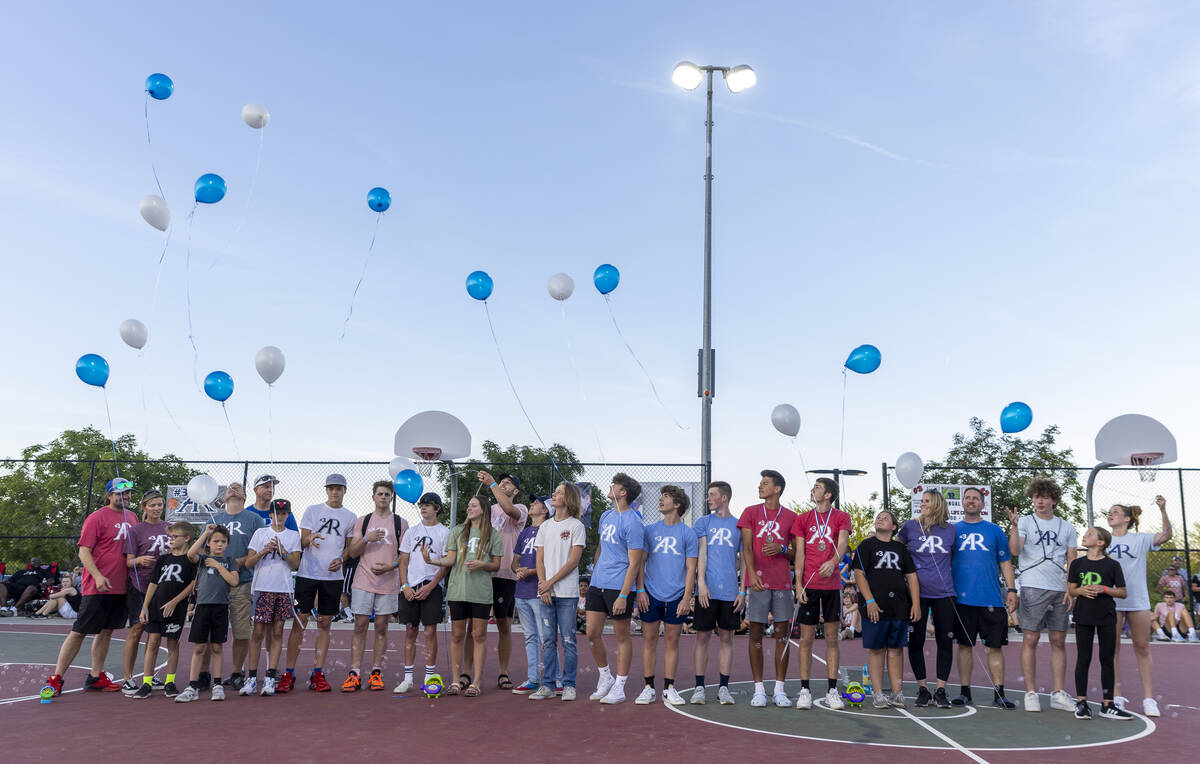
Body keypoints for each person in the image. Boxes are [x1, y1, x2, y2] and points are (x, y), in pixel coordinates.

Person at [44, 477, 139, 696]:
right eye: (120, 493)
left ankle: (95, 677)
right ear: (109, 495)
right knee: (79, 631)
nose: (125, 497)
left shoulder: (132, 517)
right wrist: (97, 576)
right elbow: (84, 551)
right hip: (98, 587)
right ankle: (56, 677)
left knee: (106, 631)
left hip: (122, 587)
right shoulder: (96, 518)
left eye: (128, 494)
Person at [1006, 477, 1077, 713]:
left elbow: (1072, 560)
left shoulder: (1067, 527)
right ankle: (1031, 693)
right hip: (1033, 585)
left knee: (1059, 641)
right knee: (1031, 639)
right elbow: (1015, 551)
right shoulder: (1025, 521)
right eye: (1037, 497)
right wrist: (1014, 527)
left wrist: (1072, 589)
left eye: (1045, 497)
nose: (1040, 501)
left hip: (1059, 588)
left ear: (1054, 500)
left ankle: (1057, 693)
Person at [283, 474, 357, 693]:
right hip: (307, 574)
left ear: (345, 491)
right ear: (326, 490)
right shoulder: (312, 510)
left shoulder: (350, 516)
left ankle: (318, 674)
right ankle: (289, 673)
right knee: (300, 620)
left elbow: (350, 549)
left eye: (339, 489)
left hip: (332, 578)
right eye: (331, 488)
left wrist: (341, 559)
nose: (334, 492)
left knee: (325, 622)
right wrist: (310, 538)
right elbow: (302, 540)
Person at [423, 495, 503, 697]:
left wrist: (482, 565)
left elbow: (496, 565)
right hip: (458, 590)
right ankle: (456, 680)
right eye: (468, 505)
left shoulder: (493, 535)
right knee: (457, 634)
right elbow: (450, 559)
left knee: (478, 634)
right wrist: (430, 560)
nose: (469, 508)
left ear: (484, 509)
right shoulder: (458, 531)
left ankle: (476, 682)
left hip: (481, 591)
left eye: (473, 505)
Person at [950, 486, 1018, 709]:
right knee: (964, 646)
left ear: (982, 504)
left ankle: (999, 693)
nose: (971, 501)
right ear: (962, 503)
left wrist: (1011, 590)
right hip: (961, 599)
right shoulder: (952, 530)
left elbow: (1005, 562)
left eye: (975, 499)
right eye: (967, 498)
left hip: (991, 599)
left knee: (995, 647)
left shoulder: (995, 530)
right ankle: (964, 692)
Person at [738, 469, 799, 709]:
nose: (759, 487)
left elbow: (797, 552)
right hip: (758, 582)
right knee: (755, 633)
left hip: (783, 582)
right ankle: (759, 689)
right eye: (760, 483)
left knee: (782, 635)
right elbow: (747, 547)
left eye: (765, 483)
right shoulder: (751, 512)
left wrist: (783, 549)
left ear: (778, 489)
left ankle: (780, 690)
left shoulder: (792, 516)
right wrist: (751, 575)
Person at [1107, 495, 1172, 717]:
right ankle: (1116, 697)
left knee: (1142, 647)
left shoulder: (1140, 539)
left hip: (1137, 600)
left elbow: (1166, 536)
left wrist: (1163, 510)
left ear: (1126, 518)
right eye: (1110, 511)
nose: (1110, 513)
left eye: (1115, 511)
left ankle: (1149, 699)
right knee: (1112, 648)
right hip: (1111, 600)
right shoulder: (1104, 540)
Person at [633, 485, 698, 706]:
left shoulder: (688, 533)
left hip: (676, 595)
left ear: (677, 504)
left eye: (666, 497)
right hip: (651, 593)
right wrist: (640, 590)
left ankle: (669, 687)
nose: (661, 500)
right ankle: (648, 687)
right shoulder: (649, 530)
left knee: (672, 641)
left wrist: (686, 597)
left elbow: (691, 569)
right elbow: (640, 562)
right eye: (661, 496)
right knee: (649, 640)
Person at [341, 480, 407, 692]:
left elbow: (404, 556)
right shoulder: (363, 521)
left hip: (388, 582)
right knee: (360, 625)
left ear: (392, 497)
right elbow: (352, 553)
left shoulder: (400, 523)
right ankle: (354, 672)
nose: (383, 497)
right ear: (373, 497)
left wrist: (392, 566)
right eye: (380, 494)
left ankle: (376, 672)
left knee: (381, 627)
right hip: (363, 580)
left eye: (387, 494)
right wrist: (367, 539)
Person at [585, 473, 646, 704]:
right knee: (592, 632)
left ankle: (620, 686)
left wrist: (623, 594)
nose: (610, 487)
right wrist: (594, 572)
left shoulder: (634, 522)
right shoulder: (606, 516)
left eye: (615, 485)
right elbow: (601, 548)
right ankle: (605, 677)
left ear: (623, 492)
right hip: (598, 583)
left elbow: (635, 562)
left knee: (622, 636)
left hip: (618, 585)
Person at [792, 477, 852, 711]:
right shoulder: (803, 519)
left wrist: (834, 561)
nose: (812, 490)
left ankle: (832, 690)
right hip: (809, 584)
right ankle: (804, 689)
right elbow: (800, 554)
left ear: (828, 494)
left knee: (831, 638)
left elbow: (843, 542)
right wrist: (798, 584)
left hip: (831, 585)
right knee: (805, 639)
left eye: (817, 487)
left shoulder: (841, 517)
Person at [852, 509, 920, 709]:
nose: (880, 519)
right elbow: (859, 573)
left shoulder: (900, 549)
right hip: (875, 606)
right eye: (878, 517)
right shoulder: (867, 545)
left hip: (899, 605)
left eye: (886, 518)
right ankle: (879, 693)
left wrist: (915, 603)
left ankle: (897, 693)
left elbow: (911, 577)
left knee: (896, 649)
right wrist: (870, 600)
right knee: (876, 650)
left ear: (894, 527)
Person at [898, 488, 958, 708]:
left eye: (926, 501)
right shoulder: (909, 527)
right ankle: (922, 688)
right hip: (916, 594)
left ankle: (941, 689)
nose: (922, 504)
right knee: (916, 640)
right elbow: (898, 551)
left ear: (937, 504)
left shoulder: (950, 530)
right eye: (921, 501)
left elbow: (952, 558)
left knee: (944, 641)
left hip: (944, 593)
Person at [530, 482, 587, 701]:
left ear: (569, 498)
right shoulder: (545, 526)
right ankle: (548, 685)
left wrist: (549, 583)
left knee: (569, 640)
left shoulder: (576, 526)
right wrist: (543, 585)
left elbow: (573, 561)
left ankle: (569, 684)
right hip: (546, 592)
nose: (554, 494)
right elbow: (539, 558)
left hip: (567, 593)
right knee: (548, 640)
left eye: (559, 492)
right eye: (554, 491)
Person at [1067, 526, 1131, 720]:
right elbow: (1071, 590)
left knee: (1106, 660)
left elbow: (1122, 592)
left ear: (1101, 542)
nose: (1085, 536)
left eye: (1090, 534)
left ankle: (1108, 704)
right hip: (1084, 615)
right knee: (1083, 659)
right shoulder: (1077, 564)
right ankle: (1082, 703)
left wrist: (1104, 589)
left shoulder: (1112, 566)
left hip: (1106, 616)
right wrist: (1081, 591)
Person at [240, 499, 302, 696]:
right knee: (257, 632)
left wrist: (283, 551)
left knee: (277, 632)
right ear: (270, 515)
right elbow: (248, 563)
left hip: (283, 589)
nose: (280, 517)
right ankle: (250, 678)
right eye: (277, 513)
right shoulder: (260, 534)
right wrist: (264, 550)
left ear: (288, 515)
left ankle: (270, 676)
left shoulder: (293, 536)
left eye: (284, 514)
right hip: (262, 587)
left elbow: (296, 564)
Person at [474, 470, 529, 692]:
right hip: (482, 572)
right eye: (502, 482)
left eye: (508, 483)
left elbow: (508, 509)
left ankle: (503, 671)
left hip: (504, 574)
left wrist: (493, 484)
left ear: (514, 491)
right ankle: (470, 672)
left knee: (504, 624)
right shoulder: (488, 509)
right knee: (476, 626)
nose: (503, 484)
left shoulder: (521, 509)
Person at [691, 480, 743, 706]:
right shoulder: (703, 522)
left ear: (724, 497)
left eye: (712, 495)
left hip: (730, 591)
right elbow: (702, 554)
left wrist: (743, 591)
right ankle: (699, 687)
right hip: (707, 591)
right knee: (702, 637)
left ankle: (723, 687)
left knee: (726, 638)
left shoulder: (739, 525)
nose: (708, 498)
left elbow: (745, 562)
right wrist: (701, 583)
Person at [209, 482, 265, 691]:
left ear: (244, 496)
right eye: (230, 488)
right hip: (215, 584)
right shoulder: (215, 520)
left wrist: (236, 564)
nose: (233, 488)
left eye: (238, 487)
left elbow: (258, 551)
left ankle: (235, 672)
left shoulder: (254, 520)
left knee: (241, 632)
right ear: (223, 497)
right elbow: (205, 548)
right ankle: (206, 674)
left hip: (242, 582)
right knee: (210, 632)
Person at [131, 522, 197, 699]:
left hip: (175, 608)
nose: (171, 540)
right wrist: (145, 607)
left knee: (173, 643)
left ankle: (170, 681)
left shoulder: (191, 560)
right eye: (170, 537)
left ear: (187, 538)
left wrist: (174, 602)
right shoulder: (163, 559)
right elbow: (153, 583)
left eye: (175, 537)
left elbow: (192, 584)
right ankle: (146, 682)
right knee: (152, 642)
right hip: (156, 606)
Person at [175, 524, 239, 702]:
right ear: (209, 543)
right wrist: (205, 534)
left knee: (217, 647)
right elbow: (190, 554)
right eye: (216, 541)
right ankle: (192, 686)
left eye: (223, 542)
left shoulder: (230, 560)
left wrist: (219, 566)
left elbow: (234, 581)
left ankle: (217, 685)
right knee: (199, 647)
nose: (219, 544)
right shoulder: (203, 559)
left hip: (220, 608)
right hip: (202, 607)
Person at [395, 492, 451, 694]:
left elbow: (445, 564)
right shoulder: (411, 532)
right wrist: (405, 586)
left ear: (437, 508)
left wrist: (432, 585)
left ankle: (430, 677)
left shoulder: (445, 533)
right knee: (410, 631)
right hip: (411, 585)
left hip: (431, 587)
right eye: (422, 505)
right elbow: (403, 560)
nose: (423, 508)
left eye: (428, 505)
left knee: (430, 632)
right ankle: (408, 678)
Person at [121, 490, 171, 695]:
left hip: (165, 586)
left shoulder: (169, 528)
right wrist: (140, 560)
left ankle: (149, 675)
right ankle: (128, 678)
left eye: (160, 504)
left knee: (156, 634)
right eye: (152, 505)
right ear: (144, 508)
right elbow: (128, 561)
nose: (157, 508)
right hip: (140, 586)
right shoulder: (136, 530)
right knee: (136, 630)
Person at [511, 494, 550, 694]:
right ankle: (533, 679)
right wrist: (518, 569)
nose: (532, 504)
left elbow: (550, 562)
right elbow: (515, 561)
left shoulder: (549, 530)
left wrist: (531, 571)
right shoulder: (525, 532)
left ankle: (554, 679)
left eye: (536, 503)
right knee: (530, 637)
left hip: (539, 591)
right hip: (522, 591)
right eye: (532, 501)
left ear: (545, 510)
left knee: (546, 636)